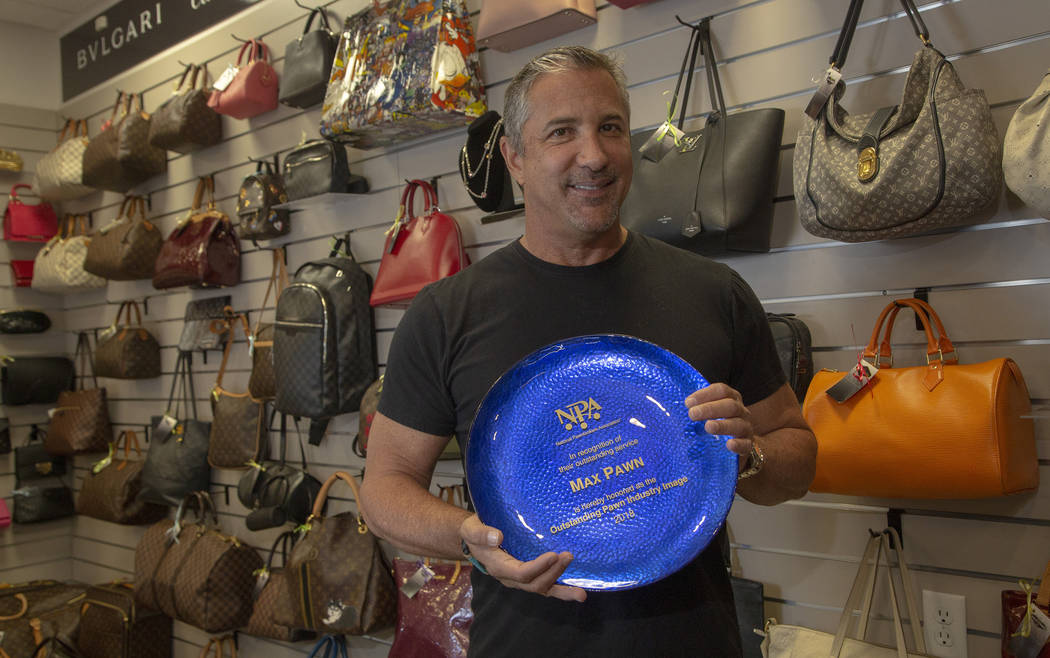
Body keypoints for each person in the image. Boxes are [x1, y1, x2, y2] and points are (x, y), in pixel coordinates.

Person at [359, 46, 817, 656]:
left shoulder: (713, 291)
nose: (595, 156)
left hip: (693, 640)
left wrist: (751, 453)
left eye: (611, 128)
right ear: (515, 159)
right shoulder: (448, 312)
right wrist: (468, 536)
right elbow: (384, 489)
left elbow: (798, 457)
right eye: (562, 133)